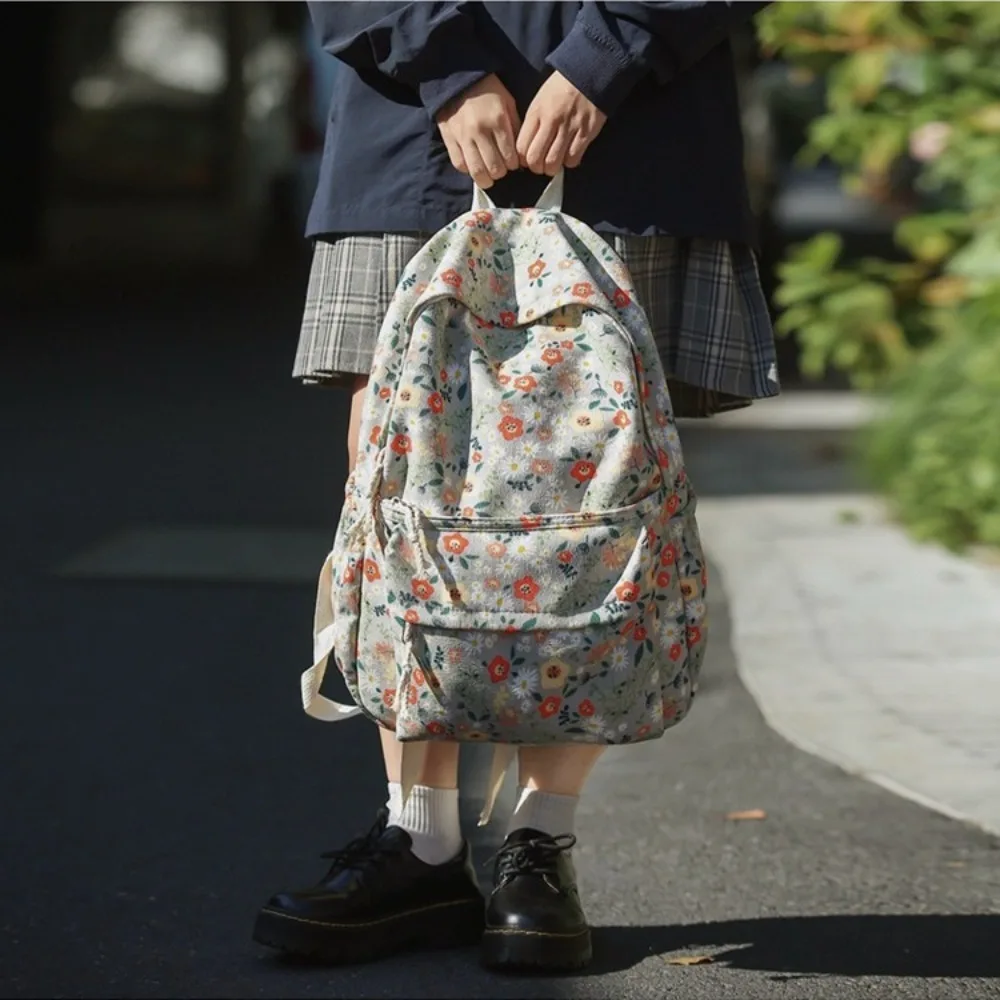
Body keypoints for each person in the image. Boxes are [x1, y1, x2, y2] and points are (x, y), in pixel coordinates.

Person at [255, 0, 776, 974]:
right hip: (418, 117)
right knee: (399, 485)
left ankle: (541, 839)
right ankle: (422, 838)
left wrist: (613, 48)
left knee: (594, 495)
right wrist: (443, 62)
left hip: (636, 120)